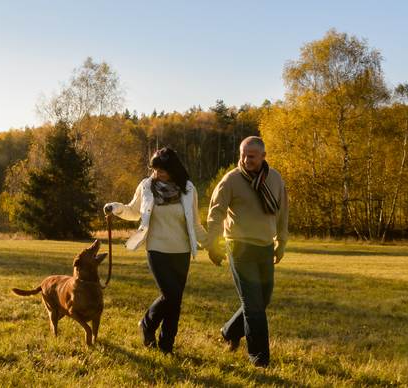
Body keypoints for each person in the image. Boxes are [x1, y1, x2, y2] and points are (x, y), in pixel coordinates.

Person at [103, 147, 207, 354]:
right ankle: (148, 323)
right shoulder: (147, 187)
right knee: (170, 294)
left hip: (182, 251)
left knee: (175, 301)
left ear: (173, 169)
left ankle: (167, 345)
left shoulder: (188, 189)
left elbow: (195, 224)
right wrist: (116, 208)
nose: (156, 174)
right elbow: (134, 211)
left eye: (162, 170)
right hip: (156, 249)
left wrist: (211, 244)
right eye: (154, 169)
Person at [207, 136, 289, 367]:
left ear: (263, 156)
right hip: (239, 247)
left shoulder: (274, 179)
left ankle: (229, 331)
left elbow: (283, 212)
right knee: (253, 306)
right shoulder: (231, 180)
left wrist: (281, 242)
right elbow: (216, 213)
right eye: (242, 155)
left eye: (251, 156)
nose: (245, 160)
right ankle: (259, 359)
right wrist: (212, 244)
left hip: (264, 247)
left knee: (261, 301)